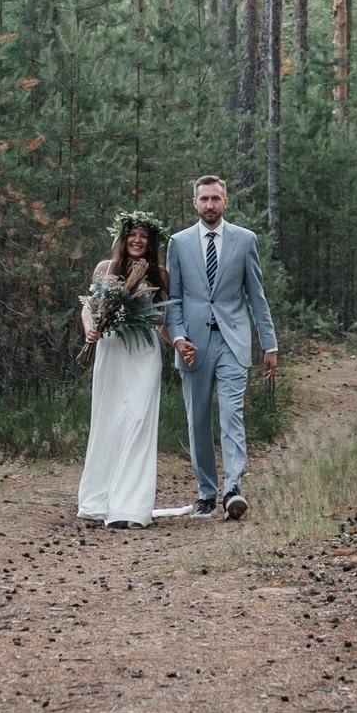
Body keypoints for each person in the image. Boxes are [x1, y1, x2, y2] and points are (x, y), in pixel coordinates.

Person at [165, 175, 278, 521]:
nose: (210, 205)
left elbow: (256, 297)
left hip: (233, 340)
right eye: (204, 200)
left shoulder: (245, 240)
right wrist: (179, 338)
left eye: (216, 198)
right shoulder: (179, 243)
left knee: (232, 414)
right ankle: (206, 494)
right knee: (198, 419)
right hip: (194, 344)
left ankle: (233, 489)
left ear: (226, 201)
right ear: (194, 203)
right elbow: (174, 300)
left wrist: (269, 344)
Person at [76, 212, 168, 529]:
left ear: (151, 241)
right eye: (133, 234)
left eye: (144, 235)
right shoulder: (105, 269)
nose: (138, 240)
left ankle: (130, 506)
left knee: (139, 420)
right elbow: (89, 307)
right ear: (123, 237)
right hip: (112, 349)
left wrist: (180, 345)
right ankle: (99, 500)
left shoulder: (160, 273)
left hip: (144, 352)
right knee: (109, 421)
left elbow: (163, 319)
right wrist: (91, 329)